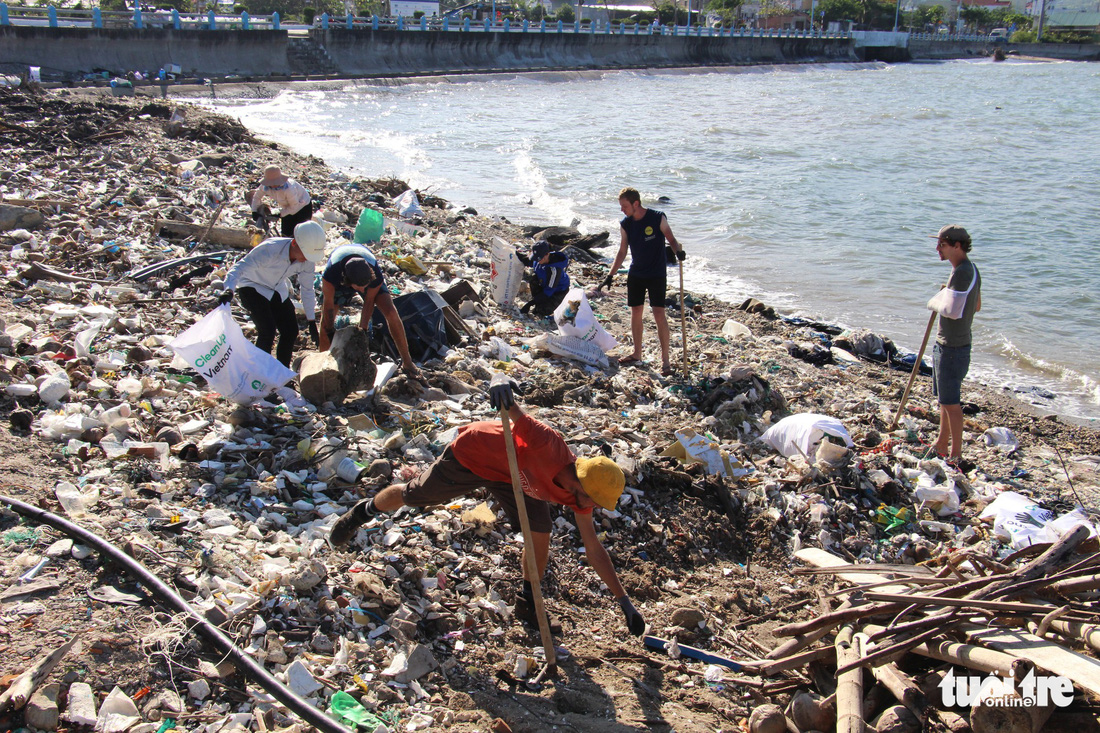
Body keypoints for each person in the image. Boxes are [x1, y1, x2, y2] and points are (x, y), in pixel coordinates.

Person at [329, 374, 647, 637]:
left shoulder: (578, 497)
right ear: (582, 484)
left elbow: (593, 548)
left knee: (540, 534)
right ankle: (363, 512)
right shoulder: (547, 443)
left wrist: (625, 603)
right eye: (596, 500)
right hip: (474, 455)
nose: (597, 507)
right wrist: (498, 382)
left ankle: (529, 604)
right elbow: (508, 403)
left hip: (514, 479)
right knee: (415, 495)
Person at [600, 187, 685, 376]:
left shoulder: (657, 217)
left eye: (624, 206)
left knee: (658, 313)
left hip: (656, 274)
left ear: (635, 203)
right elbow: (622, 252)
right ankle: (637, 353)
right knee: (636, 311)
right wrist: (610, 275)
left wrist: (678, 251)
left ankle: (666, 361)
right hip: (636, 274)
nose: (622, 209)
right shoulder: (626, 224)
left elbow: (671, 238)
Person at [219, 221, 325, 367]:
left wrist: (311, 320)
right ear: (294, 243)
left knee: (290, 331)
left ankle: (281, 373)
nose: (306, 259)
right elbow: (239, 268)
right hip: (252, 285)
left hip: (277, 287)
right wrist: (228, 289)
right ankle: (260, 373)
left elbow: (307, 288)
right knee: (267, 331)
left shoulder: (307, 259)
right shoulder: (270, 249)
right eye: (305, 254)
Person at [318, 243, 422, 379]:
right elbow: (328, 306)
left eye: (364, 287)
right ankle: (322, 362)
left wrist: (363, 331)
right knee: (325, 322)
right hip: (340, 278)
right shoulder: (331, 274)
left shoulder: (375, 274)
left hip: (363, 276)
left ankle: (408, 363)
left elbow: (368, 302)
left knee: (391, 312)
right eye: (358, 288)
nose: (361, 291)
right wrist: (330, 330)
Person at [926, 224, 981, 462]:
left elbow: (951, 309)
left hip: (953, 347)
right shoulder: (968, 270)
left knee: (951, 403)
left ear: (957, 246)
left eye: (942, 244)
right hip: (949, 343)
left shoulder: (963, 272)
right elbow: (976, 306)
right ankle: (940, 444)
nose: (937, 248)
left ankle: (956, 454)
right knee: (944, 400)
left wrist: (935, 301)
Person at [250, 165, 313, 238]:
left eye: (275, 183)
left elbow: (294, 206)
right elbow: (257, 197)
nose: (273, 185)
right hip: (287, 207)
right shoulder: (265, 186)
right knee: (286, 234)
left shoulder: (289, 188)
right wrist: (254, 211)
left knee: (300, 233)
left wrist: (280, 214)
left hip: (302, 206)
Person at [517, 241, 570, 317]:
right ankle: (538, 301)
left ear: (547, 254)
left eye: (539, 258)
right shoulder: (539, 260)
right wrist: (514, 253)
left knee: (542, 310)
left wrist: (530, 304)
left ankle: (545, 305)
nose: (537, 261)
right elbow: (528, 261)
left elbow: (549, 291)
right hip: (544, 284)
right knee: (533, 279)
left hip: (558, 292)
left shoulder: (554, 270)